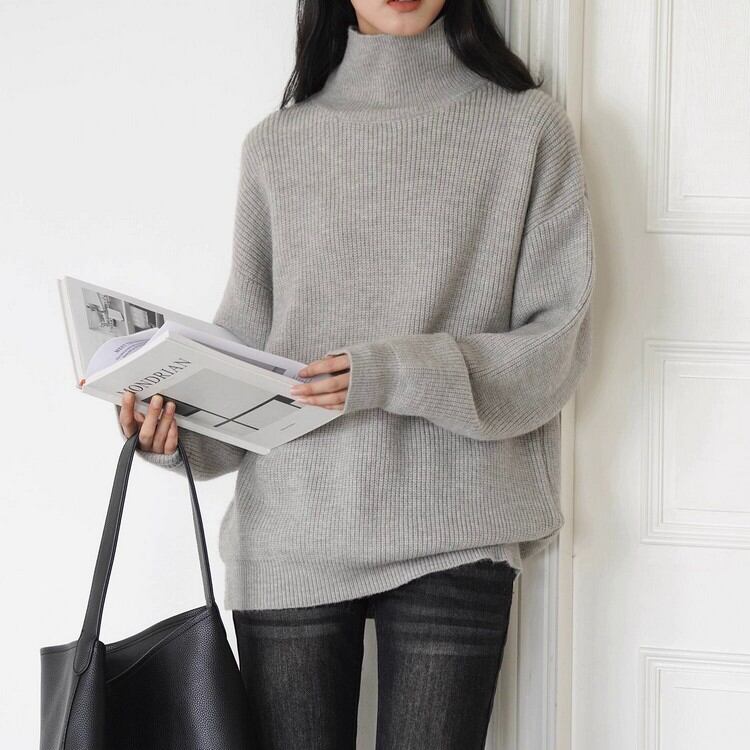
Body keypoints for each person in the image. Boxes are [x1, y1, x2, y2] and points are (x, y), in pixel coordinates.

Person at [118, 0, 595, 747]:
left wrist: (394, 370)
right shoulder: (278, 145)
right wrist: (177, 433)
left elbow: (553, 346)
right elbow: (250, 346)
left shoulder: (526, 127)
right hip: (291, 533)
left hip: (453, 527)